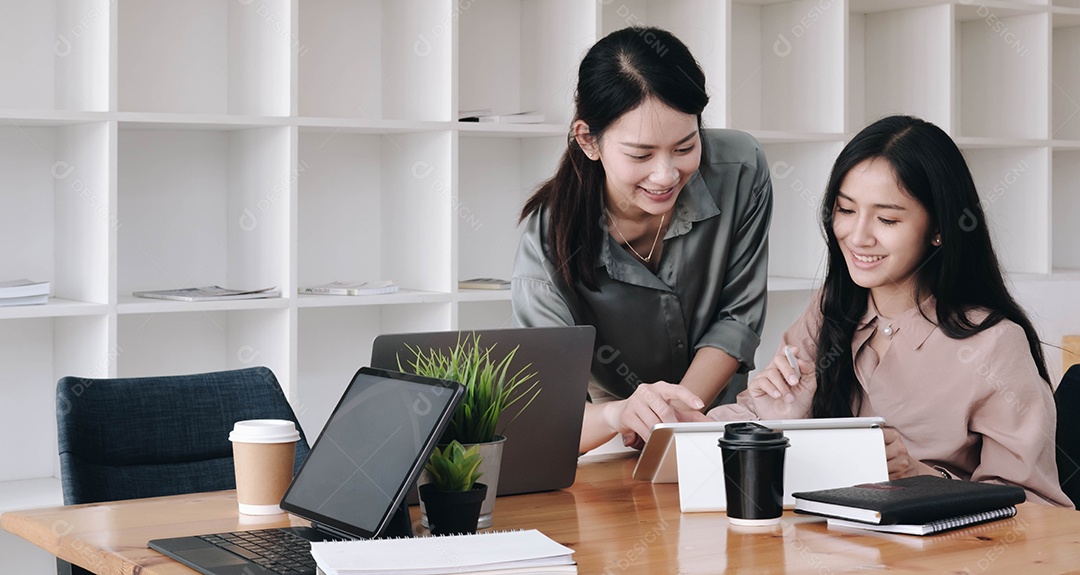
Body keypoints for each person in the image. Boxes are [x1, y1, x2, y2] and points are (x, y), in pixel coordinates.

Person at [708, 115, 1072, 507]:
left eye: (886, 219)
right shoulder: (831, 309)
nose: (857, 236)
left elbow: (1034, 510)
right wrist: (778, 422)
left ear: (938, 229)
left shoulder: (993, 344)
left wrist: (916, 475)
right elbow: (740, 423)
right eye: (846, 210)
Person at [511, 27, 773, 454]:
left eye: (686, 146)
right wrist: (628, 414)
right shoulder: (546, 247)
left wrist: (676, 416)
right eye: (640, 155)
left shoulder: (740, 169)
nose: (666, 175)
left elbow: (738, 318)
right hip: (613, 440)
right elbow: (554, 417)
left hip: (719, 427)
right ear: (588, 140)